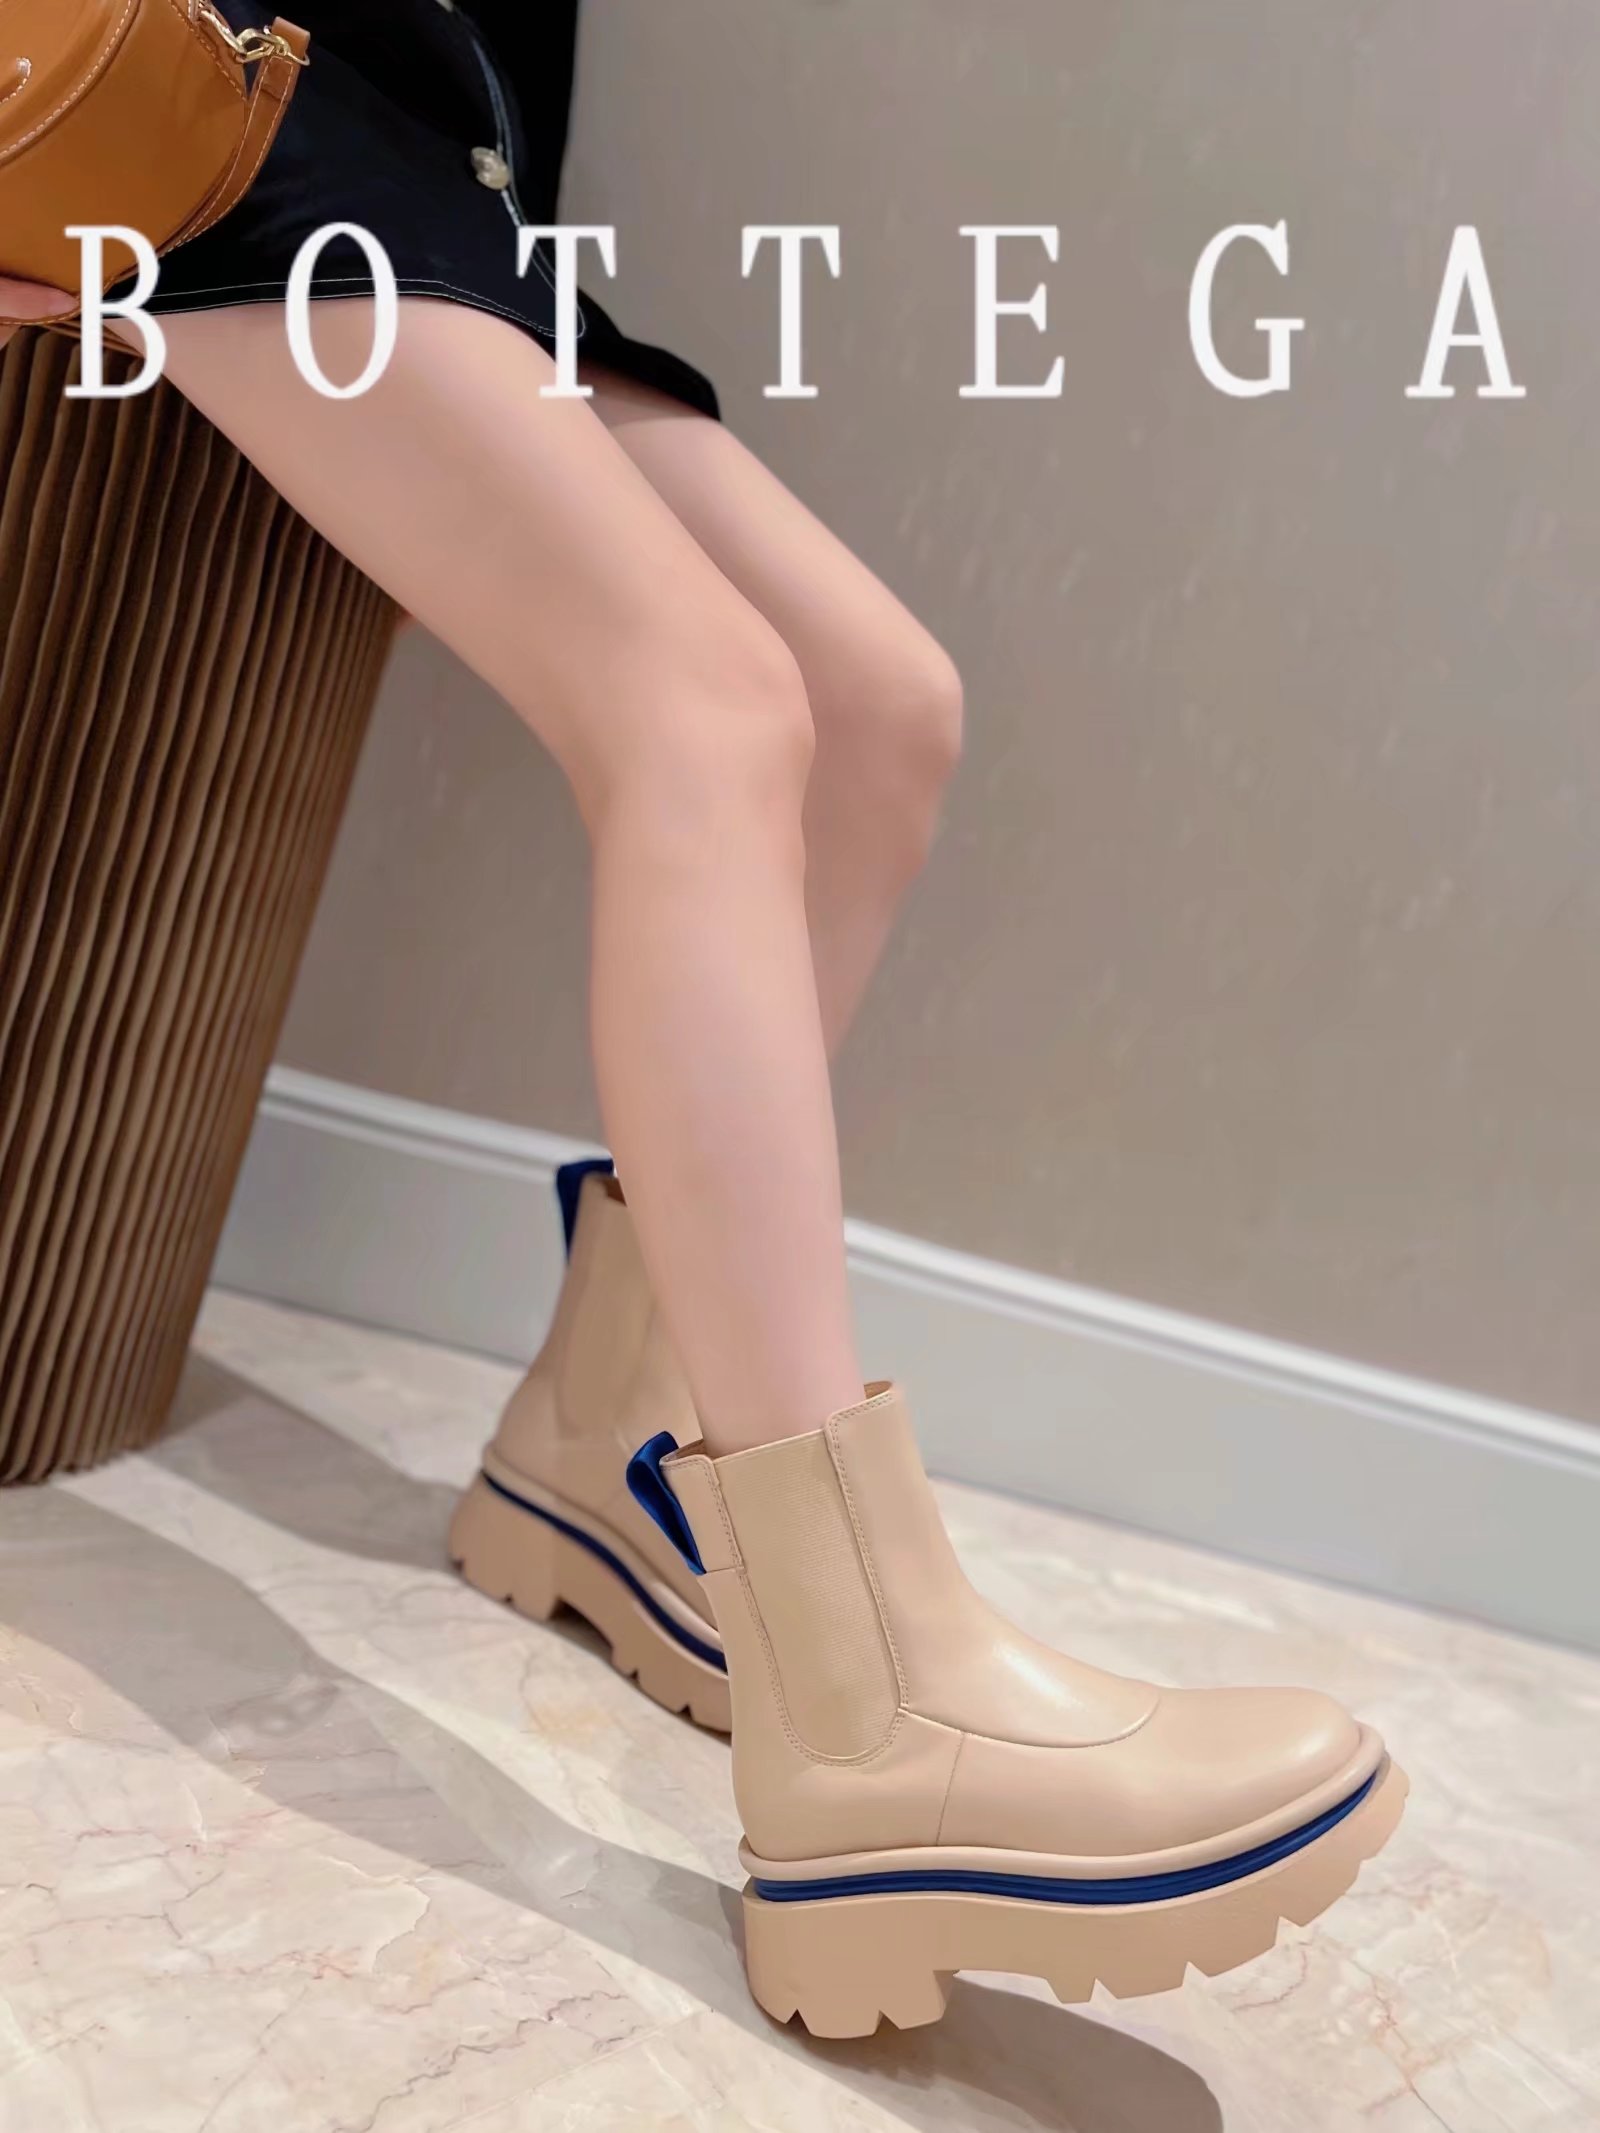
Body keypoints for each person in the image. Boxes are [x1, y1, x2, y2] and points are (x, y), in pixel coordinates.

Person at [0, 0, 1404, 2039]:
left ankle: (599, 1439)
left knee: (879, 708)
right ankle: (871, 1710)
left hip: (434, 138)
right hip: (205, 103)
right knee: (705, 712)